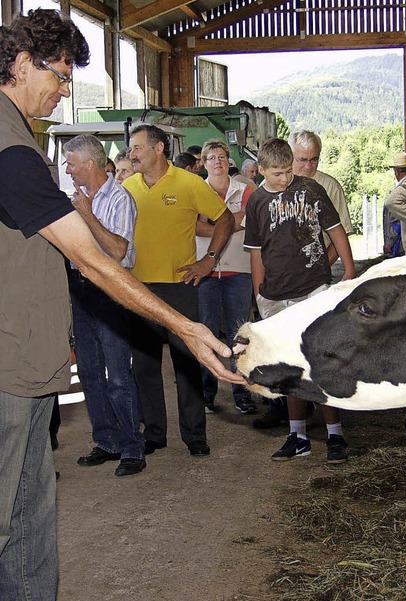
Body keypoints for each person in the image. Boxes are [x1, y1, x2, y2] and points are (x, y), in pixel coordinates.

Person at [0, 9, 241, 600]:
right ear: (24, 63)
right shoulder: (9, 149)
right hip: (7, 367)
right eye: (59, 76)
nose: (63, 91)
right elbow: (95, 260)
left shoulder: (17, 138)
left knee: (31, 515)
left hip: (27, 365)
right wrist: (184, 325)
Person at [123, 124, 236, 458]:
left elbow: (225, 220)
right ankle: (155, 434)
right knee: (144, 366)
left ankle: (195, 436)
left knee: (186, 363)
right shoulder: (128, 187)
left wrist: (208, 260)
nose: (132, 154)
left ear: (159, 149)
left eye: (138, 148)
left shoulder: (189, 184)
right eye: (131, 149)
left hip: (180, 287)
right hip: (139, 289)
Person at [244, 138, 356, 463]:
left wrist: (348, 270)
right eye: (277, 174)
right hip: (276, 294)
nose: (284, 178)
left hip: (312, 287)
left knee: (320, 361)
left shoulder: (310, 190)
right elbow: (255, 252)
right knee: (289, 365)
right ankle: (298, 434)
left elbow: (336, 230)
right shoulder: (257, 202)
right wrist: (259, 294)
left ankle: (336, 434)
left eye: (287, 171)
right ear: (261, 170)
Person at [63, 134, 146, 477]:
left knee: (117, 373)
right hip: (80, 290)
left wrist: (86, 215)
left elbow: (116, 252)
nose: (68, 170)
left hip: (109, 291)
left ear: (90, 164)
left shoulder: (119, 198)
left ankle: (131, 447)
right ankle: (106, 440)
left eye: (71, 163)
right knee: (89, 372)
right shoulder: (79, 197)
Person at [196, 139, 257, 415]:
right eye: (211, 157)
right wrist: (228, 225)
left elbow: (248, 218)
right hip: (205, 270)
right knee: (206, 332)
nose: (217, 161)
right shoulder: (195, 189)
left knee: (238, 333)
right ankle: (206, 393)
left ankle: (242, 393)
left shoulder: (245, 189)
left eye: (221, 156)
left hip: (239, 270)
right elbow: (193, 225)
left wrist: (215, 224)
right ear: (203, 162)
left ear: (228, 160)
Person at [288, 130, 353, 265]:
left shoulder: (331, 187)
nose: (308, 166)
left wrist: (322, 268)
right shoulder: (273, 184)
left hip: (316, 272)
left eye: (314, 159)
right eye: (303, 160)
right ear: (290, 156)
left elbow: (342, 234)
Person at [382, 152, 406, 257]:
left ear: (397, 172)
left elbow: (397, 220)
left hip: (401, 243)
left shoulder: (401, 190)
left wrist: (389, 242)